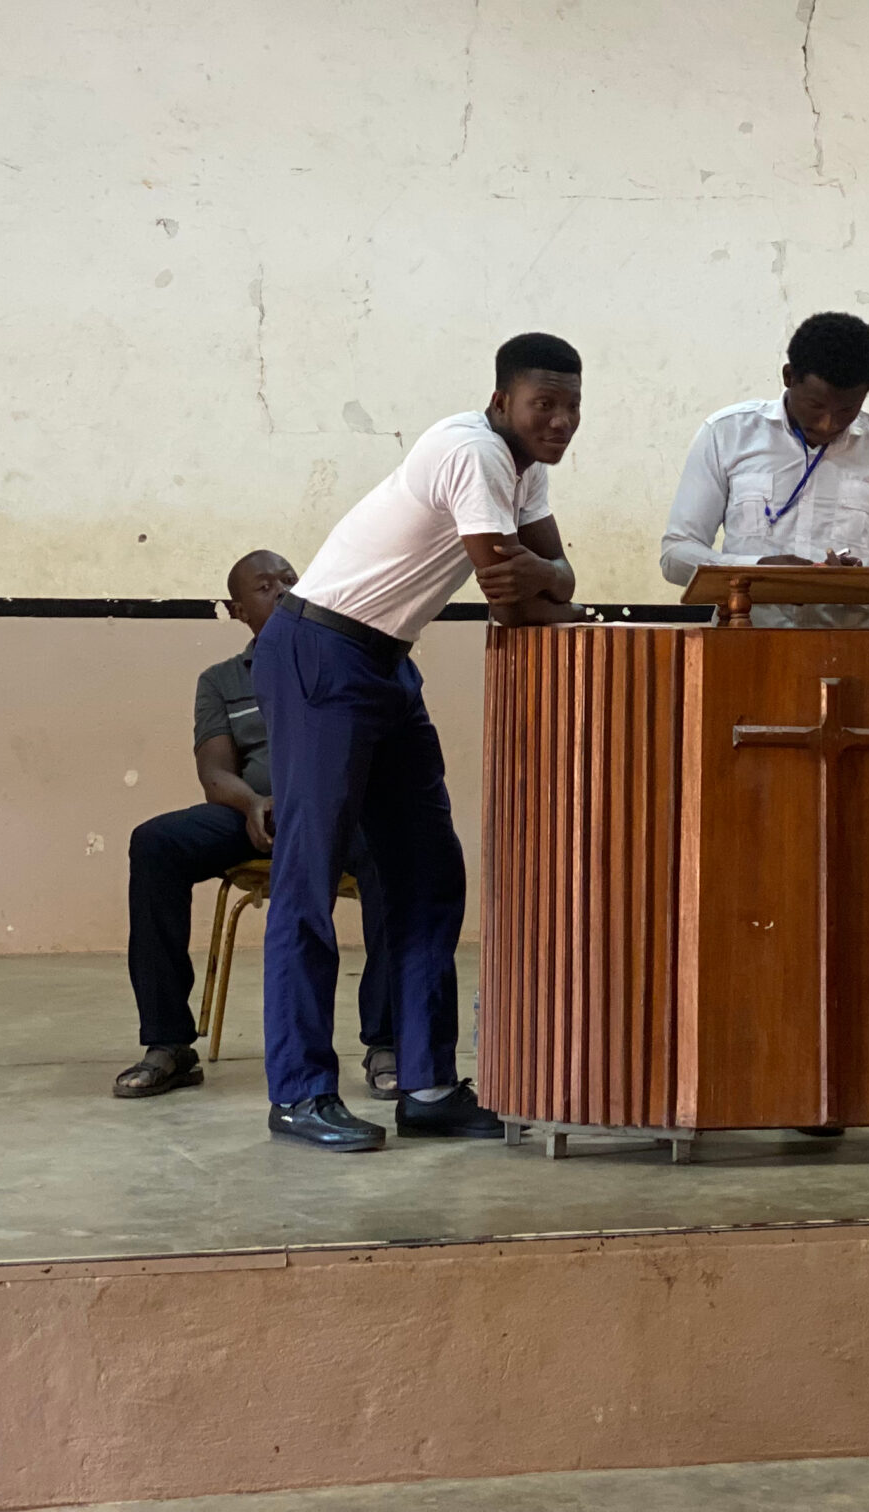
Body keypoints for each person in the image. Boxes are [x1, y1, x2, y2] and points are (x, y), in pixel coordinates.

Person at [252, 333, 586, 1152]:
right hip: (321, 650)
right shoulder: (472, 451)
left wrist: (551, 579)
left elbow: (550, 578)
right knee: (309, 876)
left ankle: (428, 1086)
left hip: (386, 662)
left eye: (572, 407)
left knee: (430, 872)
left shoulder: (527, 469)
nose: (560, 421)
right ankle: (299, 1092)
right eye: (543, 404)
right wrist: (551, 582)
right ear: (502, 401)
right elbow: (514, 602)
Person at [112, 551, 400, 1102]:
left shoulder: (344, 659)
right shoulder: (221, 681)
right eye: (266, 587)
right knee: (155, 844)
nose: (284, 591)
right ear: (238, 610)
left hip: (336, 812)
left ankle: (387, 1041)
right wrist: (251, 804)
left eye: (291, 580)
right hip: (254, 814)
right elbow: (215, 772)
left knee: (390, 851)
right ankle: (169, 1044)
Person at [659, 311, 869, 627]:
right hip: (743, 640)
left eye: (846, 410)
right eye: (816, 406)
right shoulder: (727, 434)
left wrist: (860, 581)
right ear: (789, 377)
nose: (828, 424)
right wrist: (756, 568)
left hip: (853, 644)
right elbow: (676, 556)